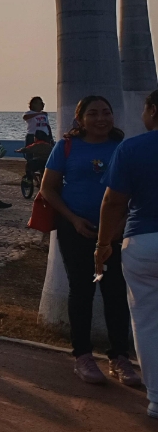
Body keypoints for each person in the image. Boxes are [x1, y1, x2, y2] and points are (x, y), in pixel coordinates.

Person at [38, 95, 137, 385]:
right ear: (80, 119)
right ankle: (82, 356)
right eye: (93, 114)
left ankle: (119, 357)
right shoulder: (66, 147)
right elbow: (48, 189)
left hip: (117, 232)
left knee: (116, 292)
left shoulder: (122, 147)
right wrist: (73, 219)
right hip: (77, 230)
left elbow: (133, 191)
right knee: (81, 291)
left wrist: (117, 228)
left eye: (106, 112)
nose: (101, 119)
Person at [98, 88, 158, 419]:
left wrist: (103, 243)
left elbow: (113, 201)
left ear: (151, 110)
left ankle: (156, 399)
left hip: (144, 241)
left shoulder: (132, 148)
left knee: (148, 322)